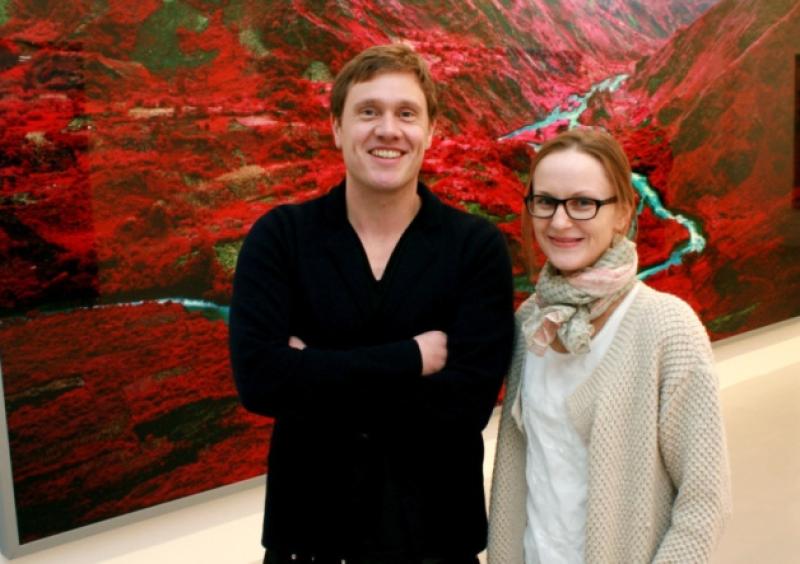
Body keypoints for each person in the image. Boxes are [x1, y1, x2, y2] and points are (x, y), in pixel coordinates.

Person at [229, 43, 515, 564]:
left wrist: (311, 370)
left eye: (406, 113)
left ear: (430, 131)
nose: (388, 129)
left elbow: (463, 408)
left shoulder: (475, 248)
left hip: (436, 545)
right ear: (337, 128)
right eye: (368, 112)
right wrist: (410, 358)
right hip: (309, 545)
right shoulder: (280, 238)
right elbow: (261, 381)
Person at [487, 129, 732, 563]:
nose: (559, 222)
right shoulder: (532, 322)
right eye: (546, 201)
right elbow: (521, 478)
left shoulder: (666, 328)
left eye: (583, 203)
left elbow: (704, 502)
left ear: (622, 213)